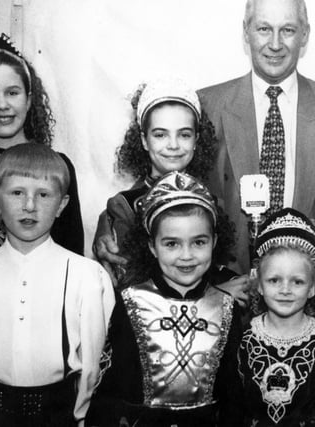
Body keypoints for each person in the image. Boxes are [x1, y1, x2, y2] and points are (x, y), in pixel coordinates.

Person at [197, 0, 315, 282]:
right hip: (227, 291)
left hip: (308, 293)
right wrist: (113, 222)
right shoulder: (206, 107)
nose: (275, 44)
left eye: (287, 30)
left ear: (305, 35)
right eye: (264, 29)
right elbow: (169, 185)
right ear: (246, 31)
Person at [0, 143, 114, 426]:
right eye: (16, 193)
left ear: (61, 205)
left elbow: (93, 367)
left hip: (58, 417)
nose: (29, 206)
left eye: (44, 194)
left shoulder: (88, 276)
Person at [86, 171, 243, 427]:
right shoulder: (130, 302)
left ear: (214, 242)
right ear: (151, 246)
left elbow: (234, 397)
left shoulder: (227, 307)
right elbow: (110, 393)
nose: (186, 256)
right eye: (171, 244)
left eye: (198, 242)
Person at [91, 78, 249, 302]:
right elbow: (132, 291)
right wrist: (216, 296)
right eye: (160, 134)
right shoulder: (125, 205)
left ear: (196, 140)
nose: (173, 145)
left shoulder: (211, 201)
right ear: (144, 140)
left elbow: (217, 268)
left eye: (184, 134)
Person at [0, 30, 84, 279]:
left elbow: (72, 253)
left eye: (12, 92)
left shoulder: (58, 165)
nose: (2, 104)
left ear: (29, 99)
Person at [236, 208, 315, 426]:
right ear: (258, 284)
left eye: (297, 281)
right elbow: (234, 407)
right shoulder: (243, 338)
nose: (285, 290)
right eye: (274, 280)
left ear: (313, 287)